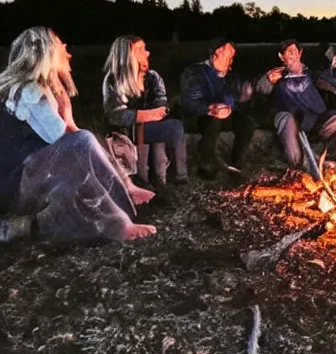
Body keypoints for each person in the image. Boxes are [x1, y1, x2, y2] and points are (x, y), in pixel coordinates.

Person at [0, 27, 156, 243]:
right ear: (47, 52)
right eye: (61, 45)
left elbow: (68, 139)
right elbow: (63, 140)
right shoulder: (29, 91)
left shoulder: (42, 88)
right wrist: (67, 114)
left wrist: (68, 117)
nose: (68, 52)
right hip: (16, 180)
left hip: (32, 171)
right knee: (83, 141)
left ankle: (23, 227)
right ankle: (119, 221)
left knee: (82, 157)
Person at [256, 39, 336, 176]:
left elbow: (335, 86)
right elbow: (259, 89)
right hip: (291, 124)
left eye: (294, 51)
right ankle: (301, 168)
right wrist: (268, 81)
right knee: (284, 117)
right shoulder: (276, 75)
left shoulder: (311, 74)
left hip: (316, 121)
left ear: (300, 53)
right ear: (281, 56)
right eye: (288, 52)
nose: (292, 55)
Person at [102, 35, 188, 193]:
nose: (147, 53)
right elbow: (115, 115)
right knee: (170, 128)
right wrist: (145, 115)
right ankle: (161, 178)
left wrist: (157, 113)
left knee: (174, 126)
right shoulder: (114, 80)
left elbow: (161, 104)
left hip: (148, 128)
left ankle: (175, 177)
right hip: (126, 131)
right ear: (127, 55)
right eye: (141, 50)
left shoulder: (152, 77)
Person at [180, 38, 256, 179]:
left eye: (232, 56)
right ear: (217, 53)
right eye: (229, 55)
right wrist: (211, 108)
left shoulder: (231, 75)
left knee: (248, 123)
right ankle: (207, 164)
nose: (231, 60)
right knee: (214, 121)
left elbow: (235, 97)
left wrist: (244, 96)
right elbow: (190, 102)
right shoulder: (195, 72)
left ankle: (236, 163)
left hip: (226, 113)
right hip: (202, 114)